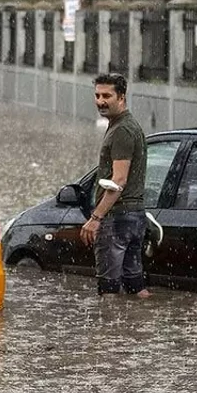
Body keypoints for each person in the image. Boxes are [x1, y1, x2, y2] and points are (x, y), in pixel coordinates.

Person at [81, 73, 151, 298]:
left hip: (117, 218)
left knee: (108, 291)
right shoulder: (127, 126)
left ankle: (108, 331)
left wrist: (96, 218)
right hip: (134, 216)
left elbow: (119, 180)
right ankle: (143, 327)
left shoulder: (122, 130)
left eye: (107, 96)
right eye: (97, 95)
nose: (100, 101)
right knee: (135, 285)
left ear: (121, 97)